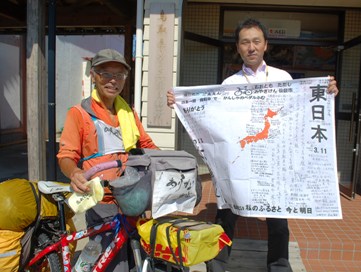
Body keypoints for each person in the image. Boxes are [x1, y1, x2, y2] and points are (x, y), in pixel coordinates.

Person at [167, 18, 339, 272]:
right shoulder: (229, 85)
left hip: (273, 163)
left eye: (256, 41)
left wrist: (326, 92)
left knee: (278, 220)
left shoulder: (283, 78)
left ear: (265, 45)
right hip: (240, 161)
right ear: (238, 48)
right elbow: (215, 120)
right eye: (245, 42)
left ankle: (279, 266)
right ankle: (217, 264)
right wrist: (182, 102)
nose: (251, 47)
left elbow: (297, 113)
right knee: (226, 215)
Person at [57, 48, 158, 271]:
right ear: (93, 75)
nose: (113, 80)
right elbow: (66, 155)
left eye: (119, 75)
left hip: (133, 197)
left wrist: (169, 164)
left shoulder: (128, 112)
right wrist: (74, 173)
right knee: (112, 262)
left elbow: (148, 146)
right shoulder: (79, 113)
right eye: (106, 74)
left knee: (136, 258)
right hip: (102, 199)